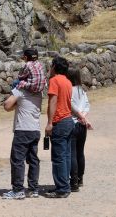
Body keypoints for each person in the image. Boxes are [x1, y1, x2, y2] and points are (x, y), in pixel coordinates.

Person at [1, 50, 46, 200]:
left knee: (17, 159)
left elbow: (7, 106)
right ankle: (33, 189)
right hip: (35, 129)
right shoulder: (39, 91)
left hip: (22, 130)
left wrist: (13, 96)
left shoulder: (21, 88)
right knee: (33, 159)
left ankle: (18, 189)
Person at [45, 55, 74, 198]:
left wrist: (50, 123)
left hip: (60, 121)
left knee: (58, 157)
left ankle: (62, 188)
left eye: (51, 66)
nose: (50, 68)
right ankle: (65, 185)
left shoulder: (54, 81)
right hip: (69, 120)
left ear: (54, 67)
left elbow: (53, 102)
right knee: (66, 156)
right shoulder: (68, 82)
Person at [67, 66, 92, 192]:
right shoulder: (82, 90)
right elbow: (87, 106)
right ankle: (80, 178)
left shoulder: (69, 90)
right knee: (80, 152)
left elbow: (70, 106)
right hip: (82, 125)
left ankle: (74, 181)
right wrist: (84, 117)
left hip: (73, 123)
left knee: (72, 153)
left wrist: (79, 116)